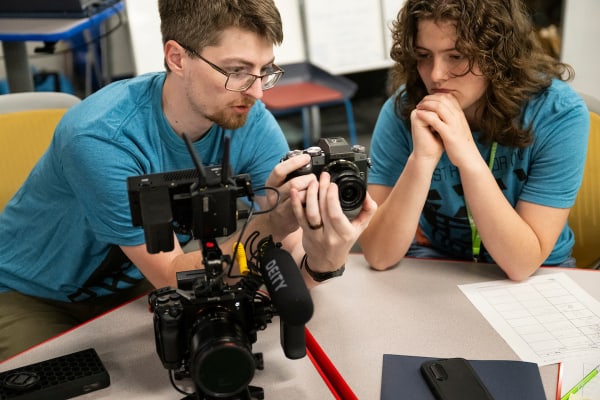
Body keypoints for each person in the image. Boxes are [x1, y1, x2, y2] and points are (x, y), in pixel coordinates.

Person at [0, 0, 376, 361]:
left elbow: (285, 259)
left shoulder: (247, 117)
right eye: (237, 71)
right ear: (177, 58)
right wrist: (272, 223)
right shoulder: (101, 139)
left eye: (265, 70)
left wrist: (321, 259)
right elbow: (172, 277)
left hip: (136, 281)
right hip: (34, 293)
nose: (257, 92)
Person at [359, 0, 589, 281]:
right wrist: (421, 160)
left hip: (539, 274)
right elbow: (379, 256)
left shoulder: (558, 114)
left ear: (497, 55)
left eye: (456, 56)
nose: (435, 75)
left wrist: (467, 156)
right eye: (423, 55)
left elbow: (521, 265)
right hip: (439, 267)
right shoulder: (403, 111)